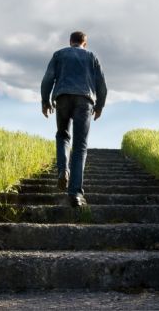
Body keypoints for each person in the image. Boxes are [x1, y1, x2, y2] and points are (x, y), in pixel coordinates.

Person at [41, 31, 107, 207]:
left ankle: (63, 170)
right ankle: (75, 194)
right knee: (80, 146)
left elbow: (47, 78)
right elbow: (101, 84)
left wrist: (45, 101)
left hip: (62, 97)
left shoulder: (59, 54)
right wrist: (99, 106)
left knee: (62, 135)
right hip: (84, 100)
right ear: (84, 43)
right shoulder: (92, 56)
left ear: (71, 42)